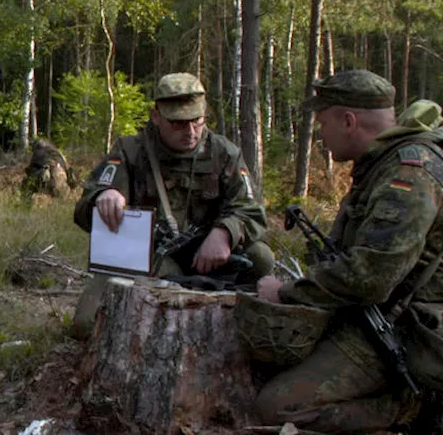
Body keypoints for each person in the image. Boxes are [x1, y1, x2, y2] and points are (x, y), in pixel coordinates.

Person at [254, 70, 443, 434]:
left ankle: (406, 409)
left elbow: (370, 277)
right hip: (381, 314)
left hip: (405, 330)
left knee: (278, 406)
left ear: (348, 120)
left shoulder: (408, 174)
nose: (320, 137)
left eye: (322, 123)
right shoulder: (382, 164)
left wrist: (285, 292)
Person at [68, 73, 274, 338]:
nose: (190, 132)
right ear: (157, 117)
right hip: (149, 260)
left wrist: (225, 232)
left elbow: (252, 210)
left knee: (261, 257)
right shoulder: (131, 151)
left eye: (196, 121)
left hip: (209, 259)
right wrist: (103, 198)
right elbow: (83, 210)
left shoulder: (224, 153)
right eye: (178, 124)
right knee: (86, 325)